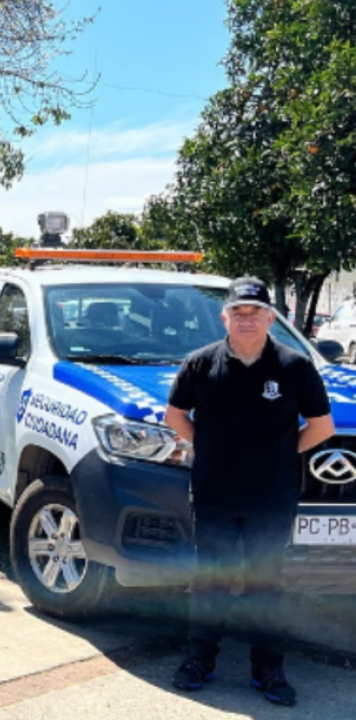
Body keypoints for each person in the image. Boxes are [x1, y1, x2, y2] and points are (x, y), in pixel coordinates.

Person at [164, 276, 334, 707]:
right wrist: (209, 446)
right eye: (237, 312)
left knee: (267, 583)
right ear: (224, 318)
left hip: (271, 495)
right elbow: (174, 415)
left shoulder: (295, 366)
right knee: (210, 581)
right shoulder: (200, 364)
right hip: (215, 491)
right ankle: (199, 660)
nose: (246, 319)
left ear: (270, 318)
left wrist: (279, 453)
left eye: (255, 311)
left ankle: (268, 669)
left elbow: (322, 427)